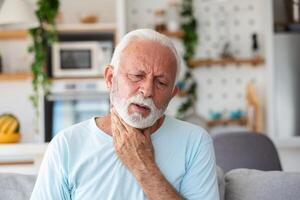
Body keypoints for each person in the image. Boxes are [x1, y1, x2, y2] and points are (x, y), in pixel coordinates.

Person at [30, 29, 219, 200]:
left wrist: (143, 167)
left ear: (172, 95)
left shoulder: (195, 142)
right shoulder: (66, 144)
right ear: (110, 78)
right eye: (137, 76)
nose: (147, 90)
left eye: (161, 83)